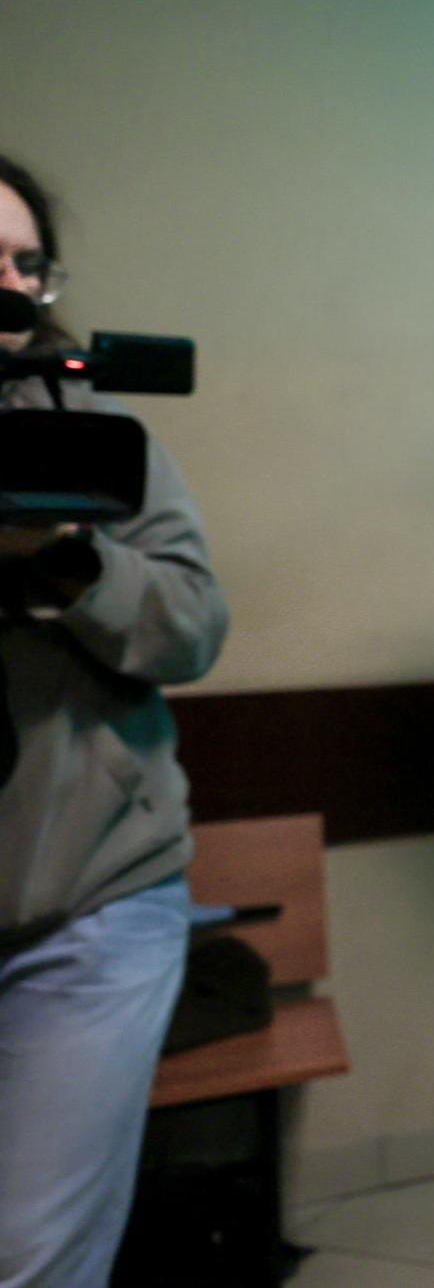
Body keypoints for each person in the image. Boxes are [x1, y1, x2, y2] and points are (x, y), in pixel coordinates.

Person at [0, 153, 229, 1284]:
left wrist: (64, 558)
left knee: (31, 1255)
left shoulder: (94, 429)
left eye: (26, 261)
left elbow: (192, 624)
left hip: (88, 901)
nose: (7, 282)